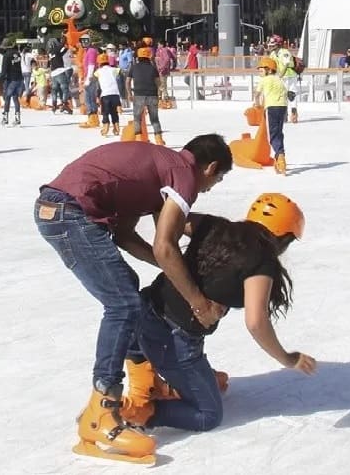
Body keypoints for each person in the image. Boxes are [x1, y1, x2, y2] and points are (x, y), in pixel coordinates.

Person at [34, 134, 233, 463]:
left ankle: (144, 382)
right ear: (210, 167)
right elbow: (165, 247)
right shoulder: (183, 175)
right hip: (70, 212)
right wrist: (198, 301)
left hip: (57, 208)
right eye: (218, 179)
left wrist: (177, 270)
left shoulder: (158, 169)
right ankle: (102, 410)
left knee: (128, 291)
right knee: (123, 304)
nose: (211, 187)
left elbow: (127, 236)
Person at [119, 194, 315, 434]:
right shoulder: (261, 264)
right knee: (208, 415)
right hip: (170, 341)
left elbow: (168, 218)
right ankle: (134, 410)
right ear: (283, 238)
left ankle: (163, 382)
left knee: (214, 383)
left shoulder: (215, 226)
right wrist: (287, 358)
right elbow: (256, 322)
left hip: (141, 313)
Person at [254, 56, 289, 175]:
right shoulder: (279, 79)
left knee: (272, 136)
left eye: (261, 69)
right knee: (279, 132)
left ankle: (280, 157)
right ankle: (278, 157)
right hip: (283, 107)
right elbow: (285, 92)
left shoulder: (265, 80)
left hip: (271, 108)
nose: (259, 71)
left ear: (268, 69)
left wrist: (257, 104)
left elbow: (257, 94)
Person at [127, 46, 165, 146]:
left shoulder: (134, 67)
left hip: (138, 95)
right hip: (152, 95)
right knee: (154, 119)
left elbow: (127, 81)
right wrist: (159, 95)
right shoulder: (152, 68)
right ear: (149, 57)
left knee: (137, 118)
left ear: (138, 57)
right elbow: (158, 83)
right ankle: (159, 140)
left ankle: (139, 140)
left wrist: (129, 93)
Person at [92, 53, 122, 136]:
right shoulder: (114, 69)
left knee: (105, 112)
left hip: (105, 95)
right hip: (115, 94)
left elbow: (97, 85)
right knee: (114, 112)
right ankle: (116, 128)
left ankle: (106, 127)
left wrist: (97, 96)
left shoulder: (97, 72)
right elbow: (120, 71)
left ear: (99, 63)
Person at [0, 39, 25, 127]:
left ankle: (5, 118)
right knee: (15, 98)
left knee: (7, 98)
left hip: (11, 80)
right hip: (19, 78)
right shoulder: (17, 53)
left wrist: (0, 82)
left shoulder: (6, 55)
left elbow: (4, 71)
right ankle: (17, 119)